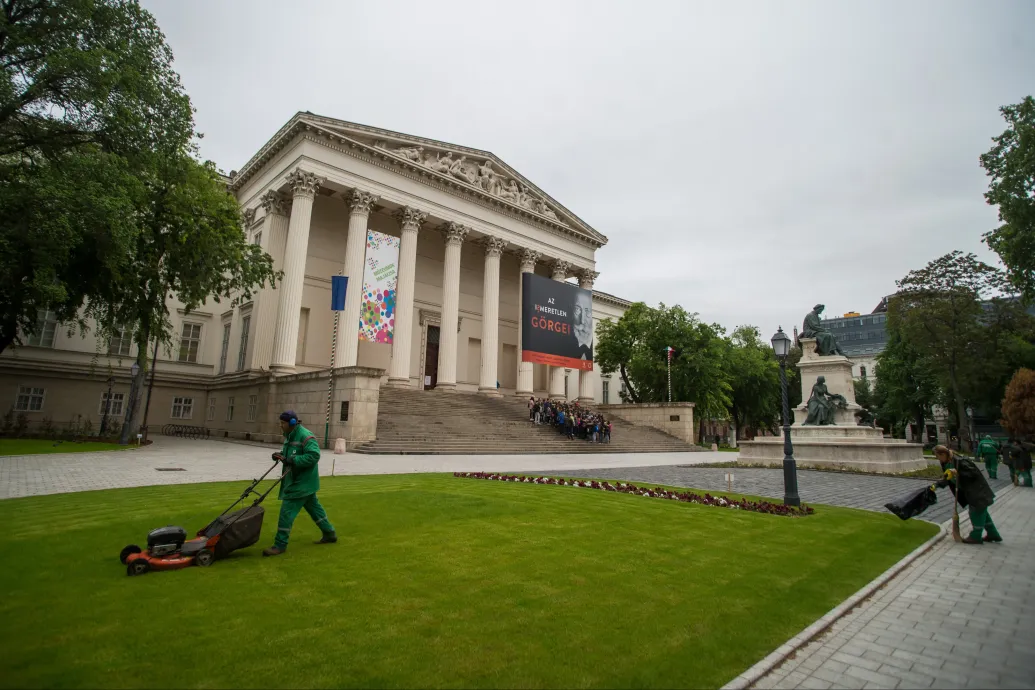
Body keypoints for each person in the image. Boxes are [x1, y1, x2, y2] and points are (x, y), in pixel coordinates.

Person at [262, 410, 337, 557]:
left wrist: (292, 460)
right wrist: (281, 456)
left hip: (301, 482)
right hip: (302, 482)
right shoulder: (289, 436)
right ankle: (330, 533)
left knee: (286, 513)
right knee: (315, 509)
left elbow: (314, 455)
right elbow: (292, 454)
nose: (280, 425)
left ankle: (280, 545)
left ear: (292, 423)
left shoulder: (305, 436)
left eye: (283, 423)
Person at [933, 445, 1001, 544]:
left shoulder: (960, 461)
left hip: (977, 491)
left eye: (937, 456)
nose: (937, 458)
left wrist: (958, 473)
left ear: (943, 454)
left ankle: (976, 536)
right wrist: (937, 485)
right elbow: (948, 478)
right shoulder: (946, 462)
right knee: (982, 513)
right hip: (969, 492)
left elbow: (973, 474)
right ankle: (993, 534)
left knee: (975, 513)